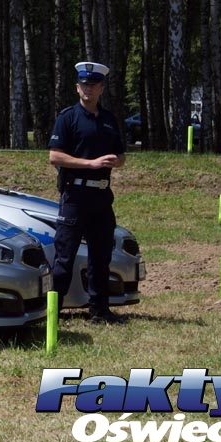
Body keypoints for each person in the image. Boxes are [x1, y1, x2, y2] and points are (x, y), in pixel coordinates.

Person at [48, 61, 127, 324]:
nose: (88, 90)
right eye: (84, 85)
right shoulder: (67, 117)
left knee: (101, 256)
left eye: (93, 86)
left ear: (101, 88)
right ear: (77, 87)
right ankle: (53, 313)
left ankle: (99, 310)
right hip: (75, 196)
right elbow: (55, 156)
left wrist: (117, 162)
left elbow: (121, 154)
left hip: (102, 197)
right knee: (64, 256)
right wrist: (90, 164)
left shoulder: (107, 119)